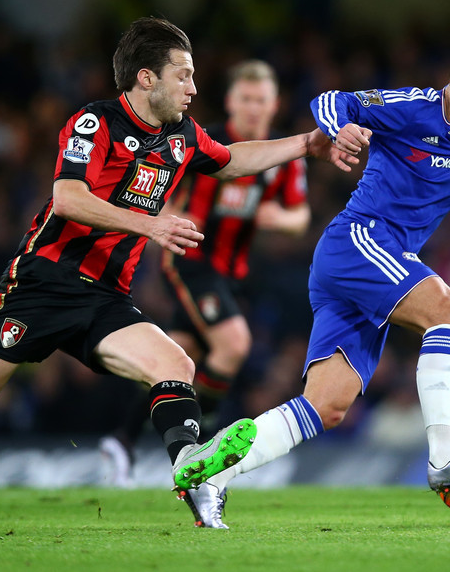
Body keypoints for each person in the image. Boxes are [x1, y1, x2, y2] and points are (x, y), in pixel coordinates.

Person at [0, 17, 360, 533]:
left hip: (104, 298)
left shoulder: (183, 135)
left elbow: (233, 158)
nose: (193, 88)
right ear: (147, 78)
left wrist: (307, 144)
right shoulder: (95, 123)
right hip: (41, 286)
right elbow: (68, 199)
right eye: (183, 75)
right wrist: (152, 224)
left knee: (176, 364)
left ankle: (199, 477)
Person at [167, 29, 450, 524]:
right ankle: (445, 456)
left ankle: (210, 478)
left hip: (368, 267)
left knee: (326, 407)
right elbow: (331, 101)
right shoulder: (411, 107)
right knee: (449, 311)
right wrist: (343, 130)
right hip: (358, 241)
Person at [100, 59, 310, 484]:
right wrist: (169, 217)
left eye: (261, 100)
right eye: (246, 99)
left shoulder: (281, 156)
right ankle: (203, 444)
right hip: (191, 262)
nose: (253, 108)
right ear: (231, 102)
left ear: (275, 104)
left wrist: (275, 217)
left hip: (232, 272)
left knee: (180, 361)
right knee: (233, 346)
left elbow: (300, 216)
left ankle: (121, 440)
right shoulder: (204, 142)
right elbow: (163, 190)